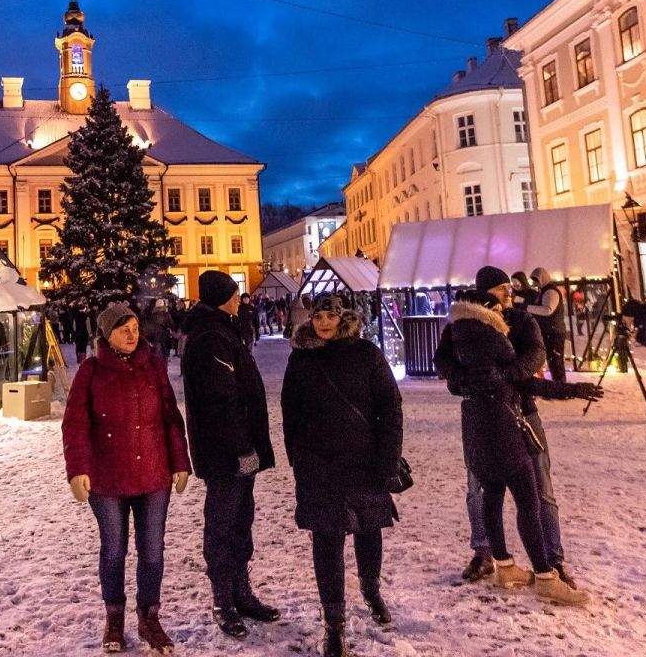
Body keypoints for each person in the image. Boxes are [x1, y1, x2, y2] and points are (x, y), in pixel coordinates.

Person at [436, 266, 597, 591]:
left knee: (541, 491)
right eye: (501, 289)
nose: (509, 293)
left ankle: (552, 559)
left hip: (523, 413)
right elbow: (443, 361)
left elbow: (536, 355)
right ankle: (485, 554)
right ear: (484, 293)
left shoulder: (522, 321)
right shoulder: (461, 325)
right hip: (483, 418)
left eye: (509, 287)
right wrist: (463, 380)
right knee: (479, 490)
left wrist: (507, 374)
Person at [62, 302, 191, 655]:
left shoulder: (154, 367)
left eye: (134, 326)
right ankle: (114, 615)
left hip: (154, 475)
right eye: (123, 329)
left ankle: (149, 615)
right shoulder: (90, 372)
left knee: (152, 552)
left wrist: (181, 461)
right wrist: (78, 469)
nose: (132, 334)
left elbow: (170, 418)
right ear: (106, 334)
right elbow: (75, 425)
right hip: (108, 480)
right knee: (114, 551)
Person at [281, 293, 403, 656]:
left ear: (342, 317)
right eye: (317, 316)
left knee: (369, 529)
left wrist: (388, 459)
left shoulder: (366, 354)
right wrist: (298, 459)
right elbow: (291, 411)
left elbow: (390, 407)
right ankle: (333, 624)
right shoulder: (301, 359)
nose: (323, 322)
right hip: (319, 466)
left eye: (330, 316)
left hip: (365, 460)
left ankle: (371, 590)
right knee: (327, 541)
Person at [180, 271, 278, 640]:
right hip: (228, 453)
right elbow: (222, 402)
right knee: (223, 524)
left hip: (237, 450)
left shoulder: (222, 329)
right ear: (223, 296)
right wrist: (244, 450)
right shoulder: (210, 338)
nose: (240, 299)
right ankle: (224, 599)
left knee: (240, 520)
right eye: (235, 294)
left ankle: (240, 592)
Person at [527, 267, 568, 382]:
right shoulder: (545, 291)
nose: (535, 284)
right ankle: (559, 385)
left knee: (555, 359)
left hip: (553, 331)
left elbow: (548, 310)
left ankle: (560, 386)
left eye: (536, 280)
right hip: (550, 330)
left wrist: (527, 308)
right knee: (553, 359)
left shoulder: (550, 291)